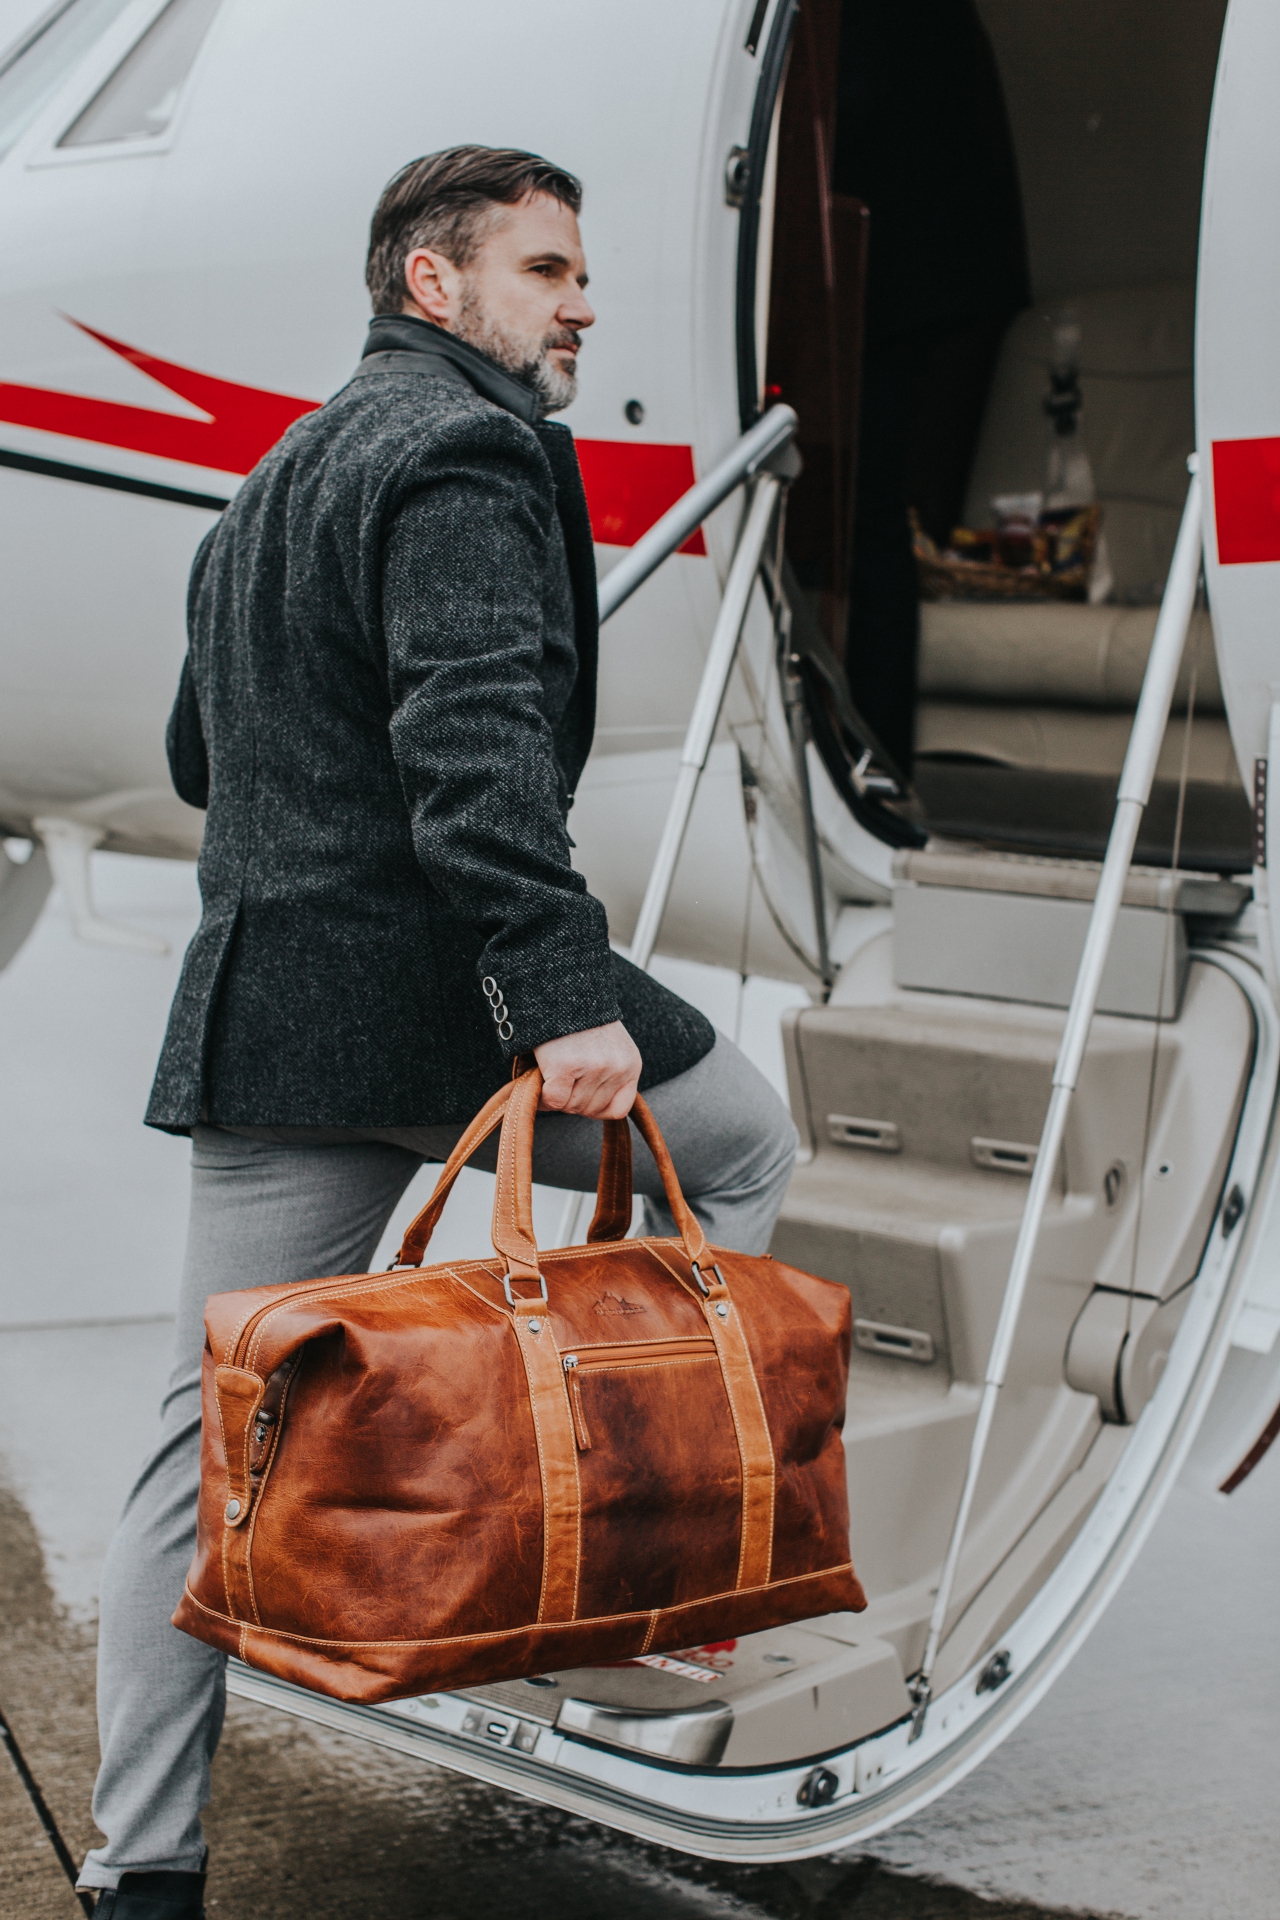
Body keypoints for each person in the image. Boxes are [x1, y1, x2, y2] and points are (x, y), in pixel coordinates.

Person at [77, 147, 798, 1916]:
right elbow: (474, 758)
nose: (583, 305)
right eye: (548, 271)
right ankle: (638, 1561)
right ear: (434, 283)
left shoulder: (275, 476)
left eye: (580, 273)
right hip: (444, 993)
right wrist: (562, 1001)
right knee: (743, 1147)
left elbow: (197, 758)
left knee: (211, 1434)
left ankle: (140, 1871)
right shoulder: (468, 450)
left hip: (274, 1015)